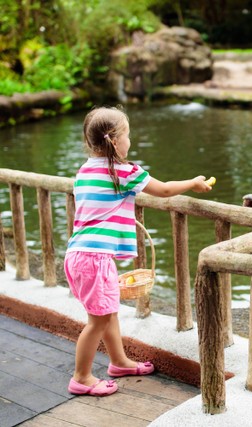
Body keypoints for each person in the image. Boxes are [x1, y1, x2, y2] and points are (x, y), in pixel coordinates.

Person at [65, 106, 212, 396]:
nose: (130, 141)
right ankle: (81, 377)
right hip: (94, 258)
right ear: (116, 141)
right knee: (97, 321)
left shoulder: (85, 170)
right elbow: (166, 190)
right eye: (128, 135)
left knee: (106, 313)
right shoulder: (124, 172)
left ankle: (118, 362)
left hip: (79, 255)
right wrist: (193, 183)